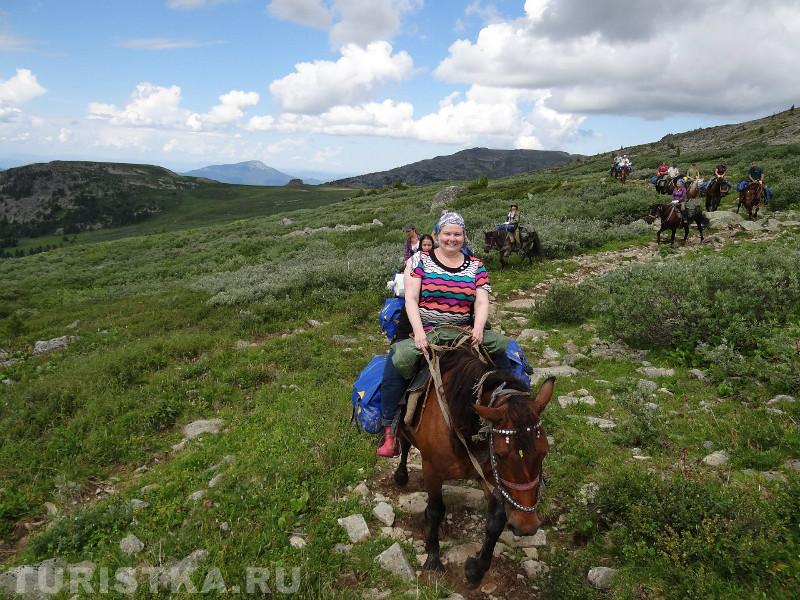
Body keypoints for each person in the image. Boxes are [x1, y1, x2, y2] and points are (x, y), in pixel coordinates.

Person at [376, 212, 519, 457]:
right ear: (438, 235)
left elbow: (481, 301)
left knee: (503, 360)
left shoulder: (476, 266)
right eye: (447, 233)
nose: (452, 239)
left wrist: (478, 328)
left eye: (457, 234)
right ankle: (390, 430)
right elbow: (411, 299)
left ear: (464, 236)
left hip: (463, 330)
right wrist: (419, 333)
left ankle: (515, 414)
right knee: (397, 362)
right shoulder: (420, 261)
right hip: (427, 330)